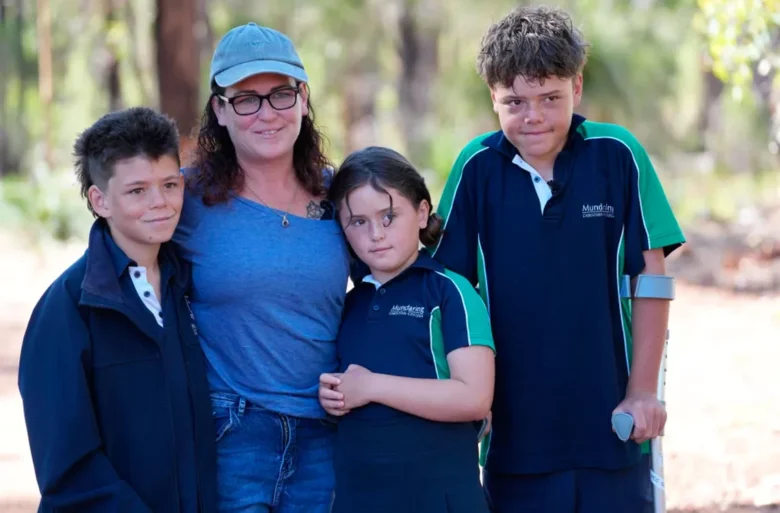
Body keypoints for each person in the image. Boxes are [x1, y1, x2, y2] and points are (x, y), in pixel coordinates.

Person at [430, 6, 686, 513]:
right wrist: (460, 398)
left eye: (551, 98)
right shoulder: (475, 168)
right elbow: (448, 292)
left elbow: (651, 277)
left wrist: (641, 394)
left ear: (578, 87)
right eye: (515, 102)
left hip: (613, 424)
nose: (534, 116)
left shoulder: (618, 154)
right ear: (493, 98)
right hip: (514, 436)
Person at [174, 22, 350, 512]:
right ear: (220, 110)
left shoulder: (344, 194)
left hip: (328, 435)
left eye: (280, 95)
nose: (266, 113)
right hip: (231, 432)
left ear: (303, 98)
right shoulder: (186, 199)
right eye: (246, 99)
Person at [17, 107, 217, 512]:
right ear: (100, 199)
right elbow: (67, 469)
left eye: (169, 184)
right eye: (137, 191)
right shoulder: (68, 309)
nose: (160, 203)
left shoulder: (189, 289)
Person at [318, 146, 495, 513]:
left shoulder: (451, 292)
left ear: (421, 212)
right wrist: (334, 397)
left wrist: (371, 386)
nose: (375, 234)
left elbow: (475, 397)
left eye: (389, 217)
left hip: (441, 499)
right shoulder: (348, 303)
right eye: (358, 222)